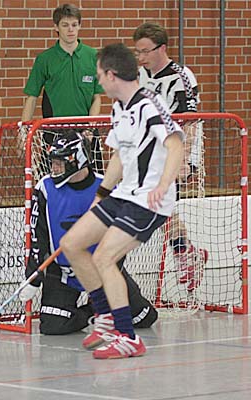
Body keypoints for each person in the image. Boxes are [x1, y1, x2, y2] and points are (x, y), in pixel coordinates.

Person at [58, 43, 184, 359]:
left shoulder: (149, 105)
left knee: (104, 257)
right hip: (123, 194)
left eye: (100, 75)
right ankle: (104, 316)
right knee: (72, 243)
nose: (99, 81)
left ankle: (128, 337)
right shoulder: (118, 108)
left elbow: (176, 145)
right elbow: (119, 156)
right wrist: (100, 195)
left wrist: (163, 184)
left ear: (112, 75)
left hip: (150, 200)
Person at [18, 131, 158, 336]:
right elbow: (38, 238)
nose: (54, 168)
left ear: (78, 160)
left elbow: (120, 237)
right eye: (53, 162)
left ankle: (104, 304)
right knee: (53, 326)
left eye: (59, 163)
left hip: (102, 271)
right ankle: (93, 310)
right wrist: (33, 278)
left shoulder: (107, 187)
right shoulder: (45, 187)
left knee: (143, 317)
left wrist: (110, 272)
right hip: (63, 274)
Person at [133, 22, 208, 291]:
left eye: (145, 51)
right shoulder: (140, 75)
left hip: (178, 150)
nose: (141, 57)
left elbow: (191, 121)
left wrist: (184, 160)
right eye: (137, 52)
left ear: (161, 48)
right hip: (152, 151)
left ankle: (185, 254)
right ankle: (187, 253)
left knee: (159, 204)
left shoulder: (181, 76)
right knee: (158, 207)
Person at [20, 4, 104, 171]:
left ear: (80, 26)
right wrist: (23, 134)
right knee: (53, 179)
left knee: (93, 181)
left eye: (74, 24)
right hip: (55, 131)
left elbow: (97, 97)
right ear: (56, 27)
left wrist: (90, 127)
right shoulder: (45, 59)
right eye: (65, 25)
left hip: (85, 132)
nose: (70, 29)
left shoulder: (93, 56)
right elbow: (32, 97)